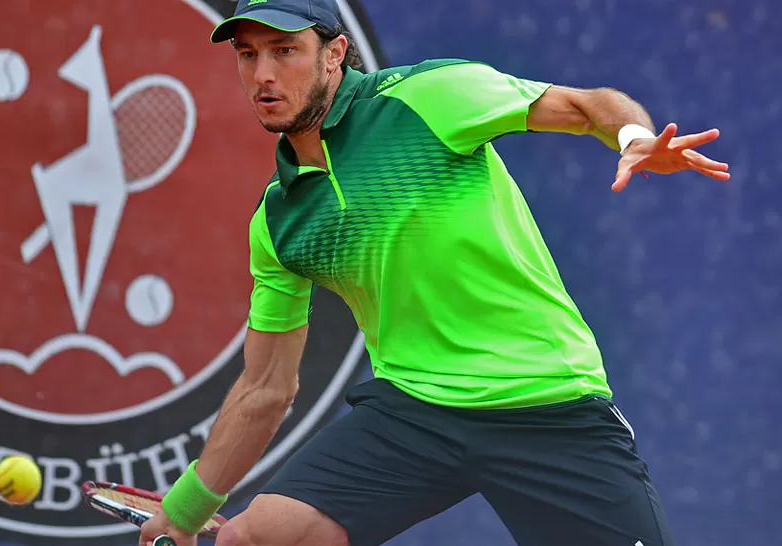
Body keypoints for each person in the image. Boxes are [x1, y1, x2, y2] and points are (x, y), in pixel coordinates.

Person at [140, 1, 731, 545]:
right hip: (415, 413)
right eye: (248, 55)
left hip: (545, 401)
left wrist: (634, 136)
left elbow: (587, 106)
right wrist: (186, 511)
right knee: (255, 538)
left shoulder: (429, 96)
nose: (264, 74)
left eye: (285, 50)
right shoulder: (279, 222)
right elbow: (265, 387)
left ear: (335, 53)